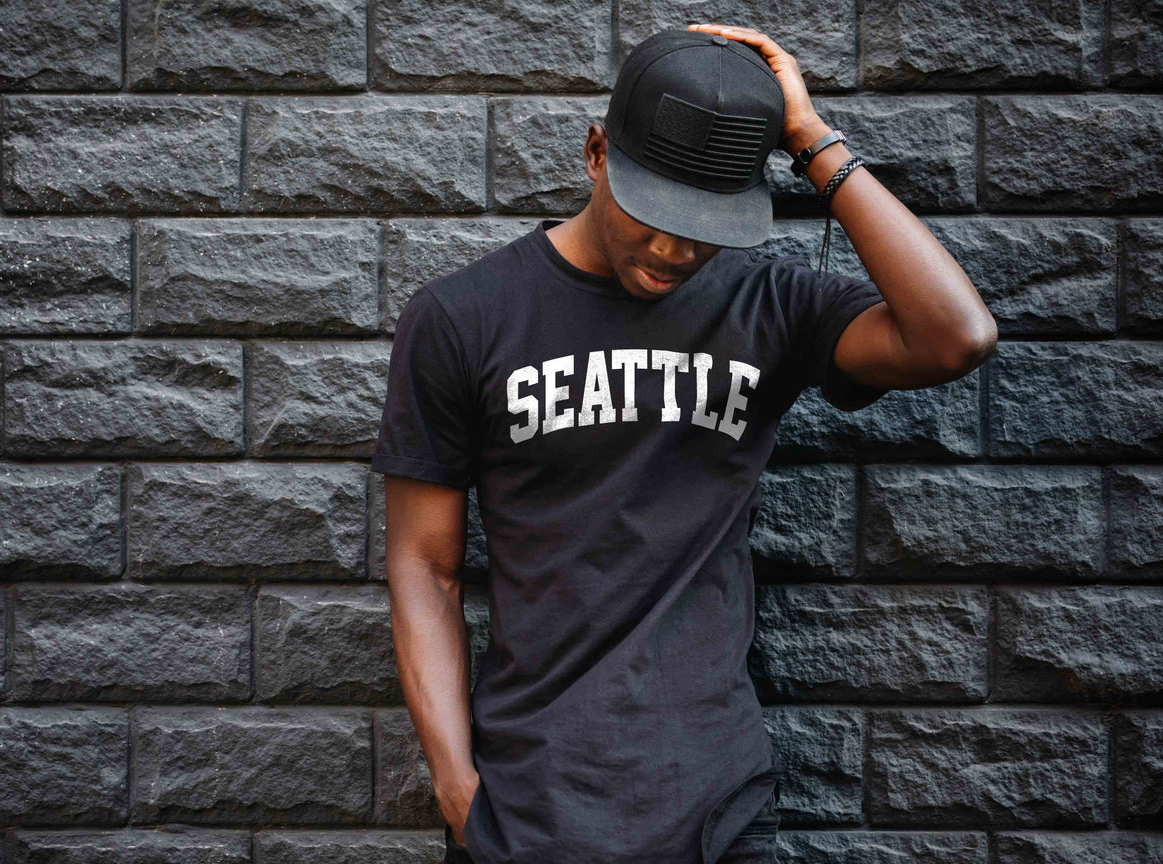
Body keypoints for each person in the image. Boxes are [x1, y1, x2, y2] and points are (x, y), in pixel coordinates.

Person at [371, 23, 996, 864]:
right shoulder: (464, 317)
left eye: (706, 222)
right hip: (529, 810)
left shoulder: (768, 306)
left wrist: (813, 141)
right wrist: (457, 788)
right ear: (596, 153)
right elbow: (424, 565)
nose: (672, 249)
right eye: (652, 213)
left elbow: (954, 336)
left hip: (716, 805)